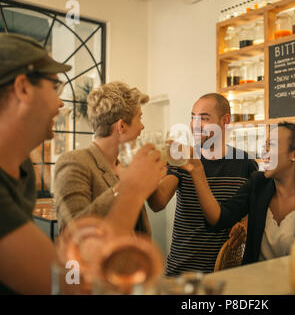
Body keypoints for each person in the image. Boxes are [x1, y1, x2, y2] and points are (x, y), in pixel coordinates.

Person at [0, 33, 165, 294]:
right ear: (23, 88)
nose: (60, 102)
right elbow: (65, 285)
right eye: (54, 87)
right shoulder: (73, 163)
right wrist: (130, 190)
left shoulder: (22, 172)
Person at [183, 122, 295, 265]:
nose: (264, 152)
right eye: (265, 146)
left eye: (271, 145)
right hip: (255, 285)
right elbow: (218, 219)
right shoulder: (258, 184)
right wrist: (197, 171)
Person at [148, 93, 259, 276]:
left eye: (204, 118)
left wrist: (245, 224)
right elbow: (158, 203)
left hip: (225, 273)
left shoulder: (245, 163)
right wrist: (149, 169)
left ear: (225, 120)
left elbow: (252, 207)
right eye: (193, 117)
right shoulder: (183, 159)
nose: (195, 125)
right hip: (181, 272)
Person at [54, 81, 152, 238]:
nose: (142, 127)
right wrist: (125, 186)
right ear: (121, 126)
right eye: (139, 118)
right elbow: (72, 231)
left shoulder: (125, 166)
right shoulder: (74, 162)